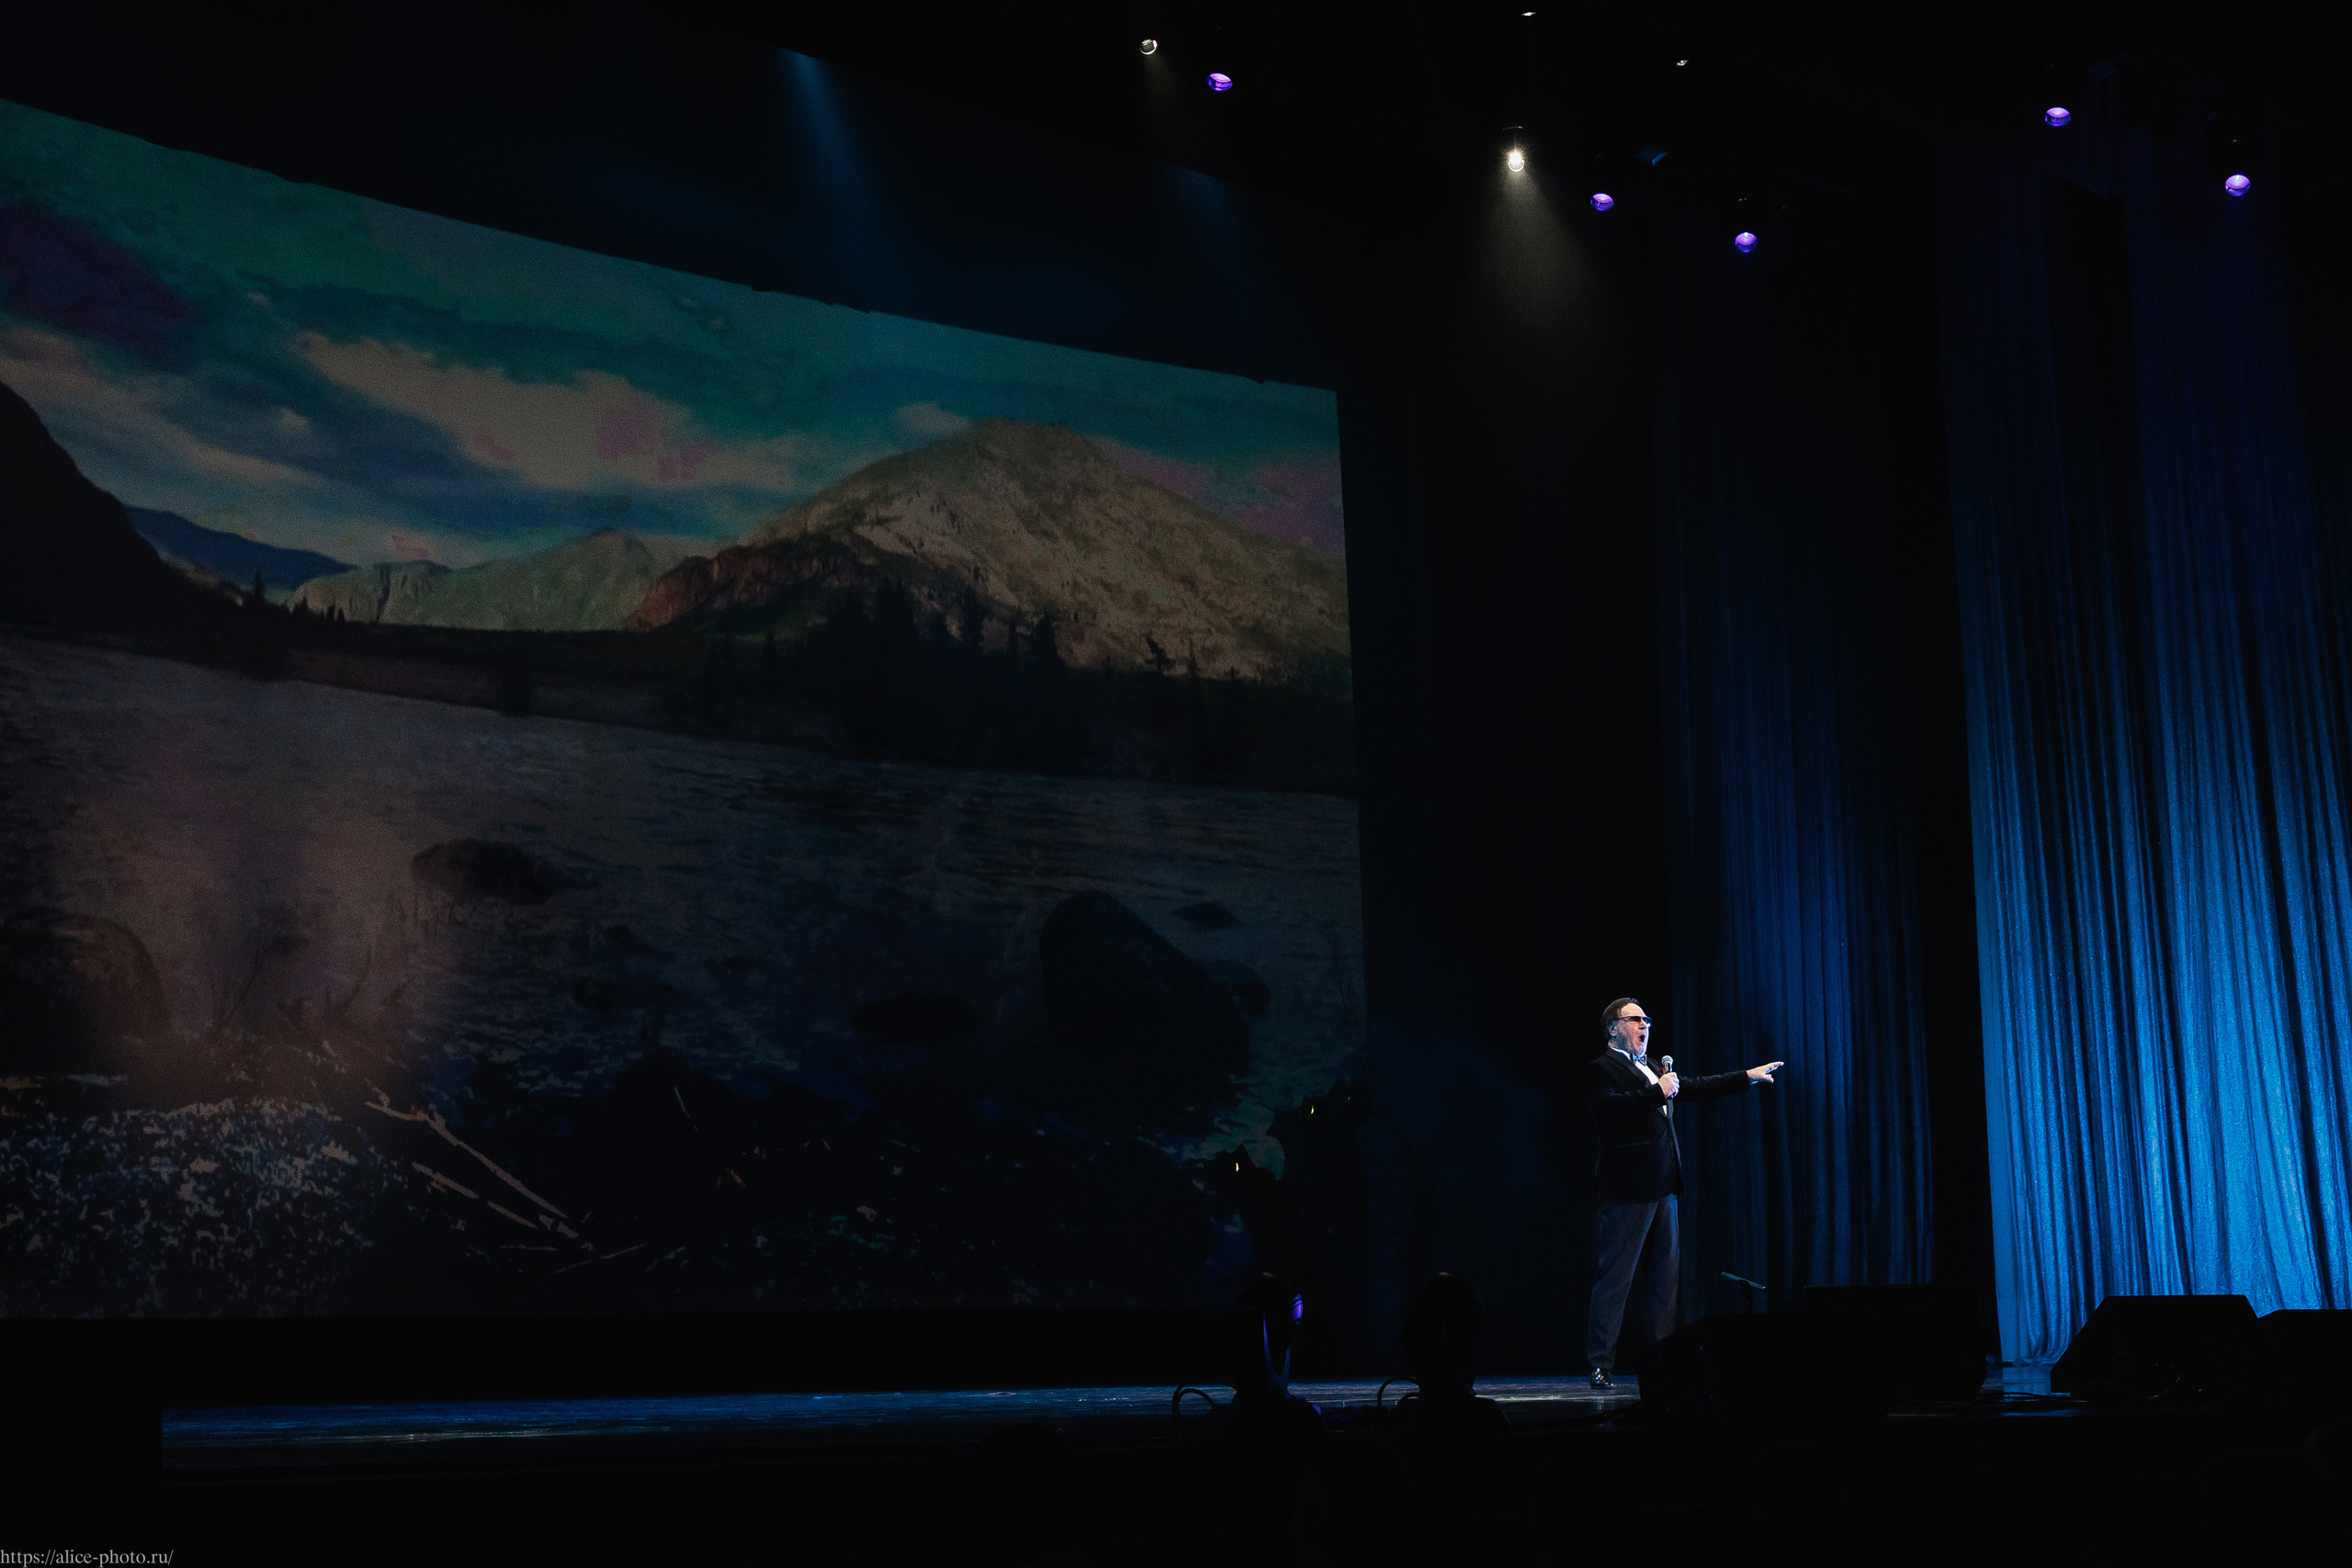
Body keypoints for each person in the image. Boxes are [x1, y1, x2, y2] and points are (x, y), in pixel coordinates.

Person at [1583, 997, 1781, 1388]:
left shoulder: (1655, 1069)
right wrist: (1658, 1091)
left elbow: (1695, 1087)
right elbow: (1608, 1111)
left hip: (1665, 1189)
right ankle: (1600, 1363)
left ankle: (1663, 1360)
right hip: (1628, 1190)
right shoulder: (1600, 1070)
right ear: (1612, 1028)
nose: (1645, 1026)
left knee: (1665, 1281)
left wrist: (1747, 1076)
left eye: (1647, 1020)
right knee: (1616, 1281)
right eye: (1636, 1019)